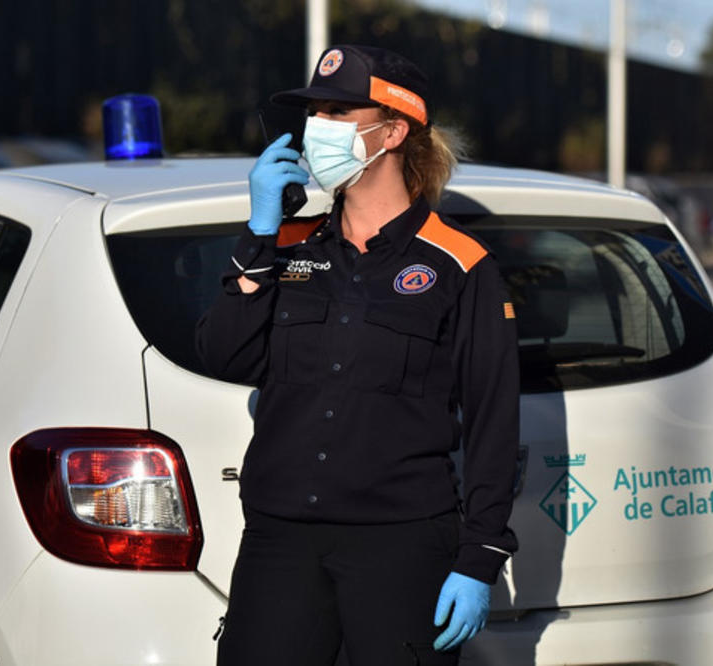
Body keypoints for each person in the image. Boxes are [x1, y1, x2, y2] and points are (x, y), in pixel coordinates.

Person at [196, 44, 521, 666]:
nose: (316, 128)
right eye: (314, 112)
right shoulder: (289, 247)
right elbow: (225, 356)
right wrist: (259, 233)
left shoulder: (460, 264)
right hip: (280, 540)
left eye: (337, 112)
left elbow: (493, 421)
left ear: (393, 131)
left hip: (401, 543)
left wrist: (480, 557)